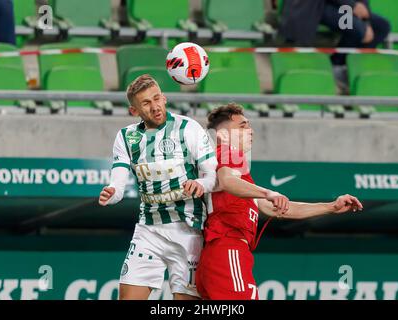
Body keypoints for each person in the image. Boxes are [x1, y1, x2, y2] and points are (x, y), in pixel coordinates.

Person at [195, 103, 363, 300]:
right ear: (223, 135)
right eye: (242, 126)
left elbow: (281, 209)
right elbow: (228, 181)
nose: (250, 130)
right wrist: (269, 192)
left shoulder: (240, 176)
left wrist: (331, 207)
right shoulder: (228, 152)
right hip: (228, 249)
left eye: (249, 125)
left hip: (221, 254)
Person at [98, 74, 220, 300]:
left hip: (188, 231)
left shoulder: (188, 128)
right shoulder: (127, 137)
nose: (154, 107)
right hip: (148, 230)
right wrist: (112, 193)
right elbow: (118, 182)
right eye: (146, 103)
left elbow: (214, 175)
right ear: (134, 111)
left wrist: (201, 183)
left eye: (156, 98)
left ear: (164, 98)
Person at [279, 0, 390, 64]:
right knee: (357, 28)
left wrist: (366, 20)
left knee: (382, 26)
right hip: (316, 5)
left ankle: (353, 65)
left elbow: (362, 4)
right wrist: (353, 6)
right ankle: (337, 64)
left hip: (343, 5)